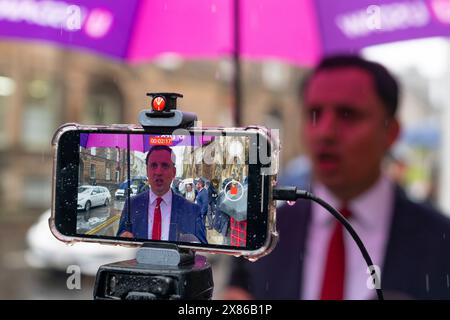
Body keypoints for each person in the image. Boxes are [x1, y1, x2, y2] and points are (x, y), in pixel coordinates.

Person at [225, 55, 450, 300]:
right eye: (314, 114)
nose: (325, 132)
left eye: (347, 114)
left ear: (391, 132)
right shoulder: (264, 235)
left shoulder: (440, 242)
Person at [117, 145, 207, 244]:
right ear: (147, 171)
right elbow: (119, 242)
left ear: (174, 172)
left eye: (165, 165)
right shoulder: (131, 206)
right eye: (153, 165)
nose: (158, 172)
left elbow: (203, 251)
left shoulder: (192, 211)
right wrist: (122, 241)